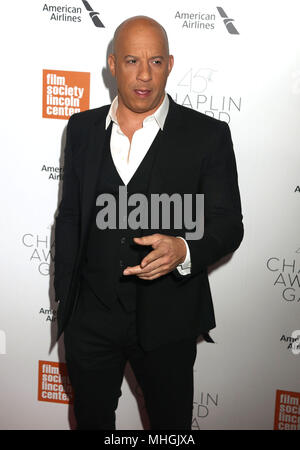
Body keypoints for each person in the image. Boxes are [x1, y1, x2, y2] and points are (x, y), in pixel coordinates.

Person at [54, 16, 243, 430]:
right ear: (112, 64)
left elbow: (229, 223)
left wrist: (185, 250)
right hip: (92, 319)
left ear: (170, 64)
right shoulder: (83, 129)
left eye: (155, 61)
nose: (144, 75)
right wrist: (68, 304)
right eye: (131, 60)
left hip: (169, 321)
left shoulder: (207, 135)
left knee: (169, 429)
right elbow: (69, 217)